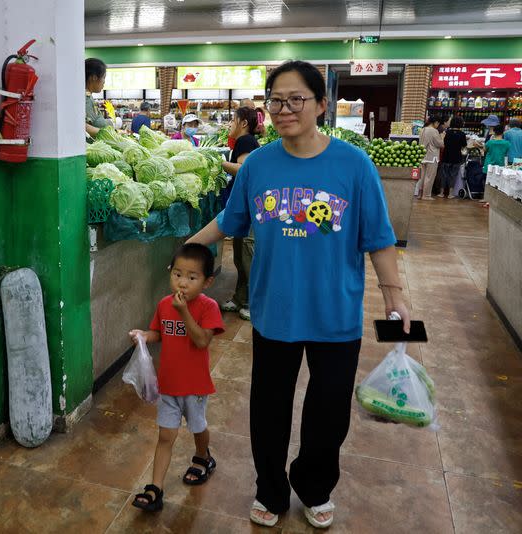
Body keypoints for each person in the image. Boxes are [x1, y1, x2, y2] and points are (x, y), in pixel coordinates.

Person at [186, 60, 409, 529]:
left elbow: (378, 237)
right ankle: (270, 489)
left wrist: (395, 295)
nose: (284, 109)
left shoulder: (354, 164)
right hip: (274, 312)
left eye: (296, 99)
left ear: (321, 105)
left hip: (335, 313)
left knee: (328, 414)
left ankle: (314, 486)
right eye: (275, 101)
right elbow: (230, 221)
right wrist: (188, 247)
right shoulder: (259, 165)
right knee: (268, 410)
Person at [129, 243, 225, 513]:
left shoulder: (208, 308)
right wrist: (143, 337)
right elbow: (158, 333)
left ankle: (203, 457)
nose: (182, 283)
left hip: (194, 386)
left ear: (207, 282)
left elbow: (201, 341)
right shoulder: (163, 304)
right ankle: (155, 489)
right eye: (177, 274)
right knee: (165, 436)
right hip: (168, 385)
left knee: (198, 427)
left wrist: (184, 311)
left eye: (192, 277)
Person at [220, 106, 260, 321]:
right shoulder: (246, 141)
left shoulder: (246, 141)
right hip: (244, 206)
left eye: (233, 120)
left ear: (243, 123)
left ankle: (252, 303)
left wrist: (222, 163)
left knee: (246, 254)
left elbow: (244, 169)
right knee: (239, 254)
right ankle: (239, 298)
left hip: (250, 206)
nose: (230, 124)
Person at [439, 116, 467, 199]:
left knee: (444, 175)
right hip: (456, 158)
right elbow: (464, 146)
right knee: (453, 175)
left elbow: (443, 143)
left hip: (446, 156)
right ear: (461, 124)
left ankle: (441, 193)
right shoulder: (462, 134)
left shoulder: (447, 132)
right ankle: (450, 194)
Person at [85, 58, 113, 138]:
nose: (104, 81)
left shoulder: (88, 97)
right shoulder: (84, 99)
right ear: (93, 77)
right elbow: (81, 125)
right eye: (104, 77)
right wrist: (107, 135)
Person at [419, 115, 445, 200]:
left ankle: (420, 194)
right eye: (438, 123)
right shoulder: (434, 131)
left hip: (422, 156)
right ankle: (426, 195)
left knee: (422, 176)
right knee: (429, 177)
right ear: (436, 122)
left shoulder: (422, 130)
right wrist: (442, 137)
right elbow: (440, 144)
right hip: (432, 156)